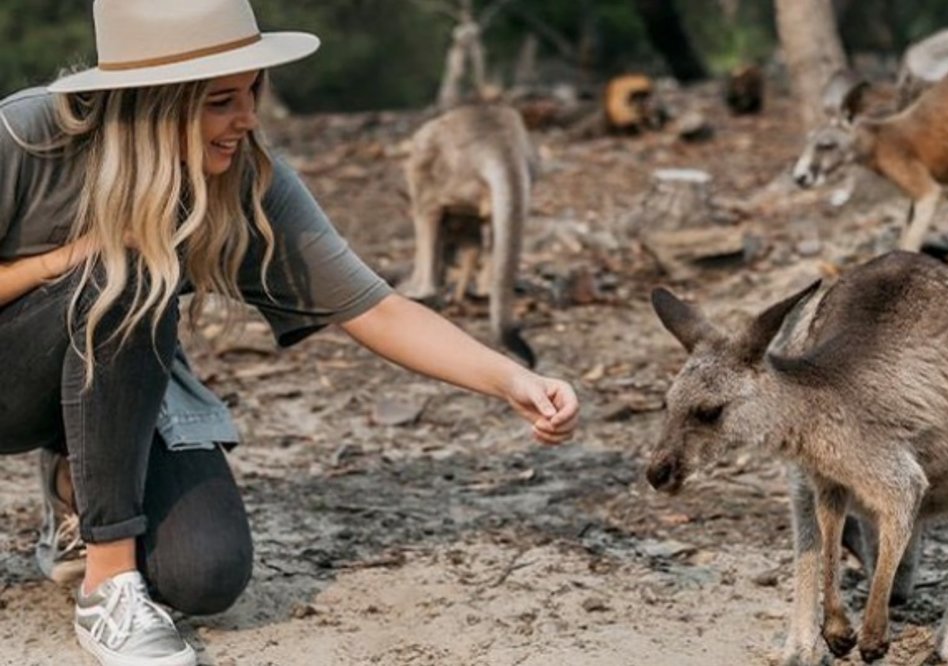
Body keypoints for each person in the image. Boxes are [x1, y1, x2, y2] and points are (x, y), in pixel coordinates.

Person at [0, 2, 579, 665]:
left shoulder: (242, 175)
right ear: (151, 104)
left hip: (112, 378)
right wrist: (59, 262)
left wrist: (512, 378)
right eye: (222, 101)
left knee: (204, 574)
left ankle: (83, 489)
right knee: (125, 274)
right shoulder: (26, 136)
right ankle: (110, 582)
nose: (247, 119)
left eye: (252, 92)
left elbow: (376, 309)